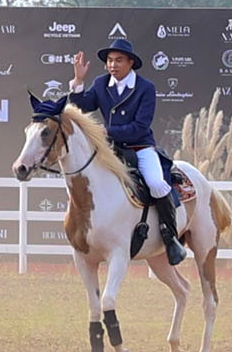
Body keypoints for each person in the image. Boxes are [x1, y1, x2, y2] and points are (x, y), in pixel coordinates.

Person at [68, 37, 187, 265]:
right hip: (110, 150)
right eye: (110, 61)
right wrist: (79, 80)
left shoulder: (146, 88)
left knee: (156, 183)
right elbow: (82, 106)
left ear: (130, 62)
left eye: (118, 60)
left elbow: (140, 127)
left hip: (140, 147)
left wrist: (108, 131)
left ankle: (170, 237)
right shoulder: (101, 83)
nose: (112, 65)